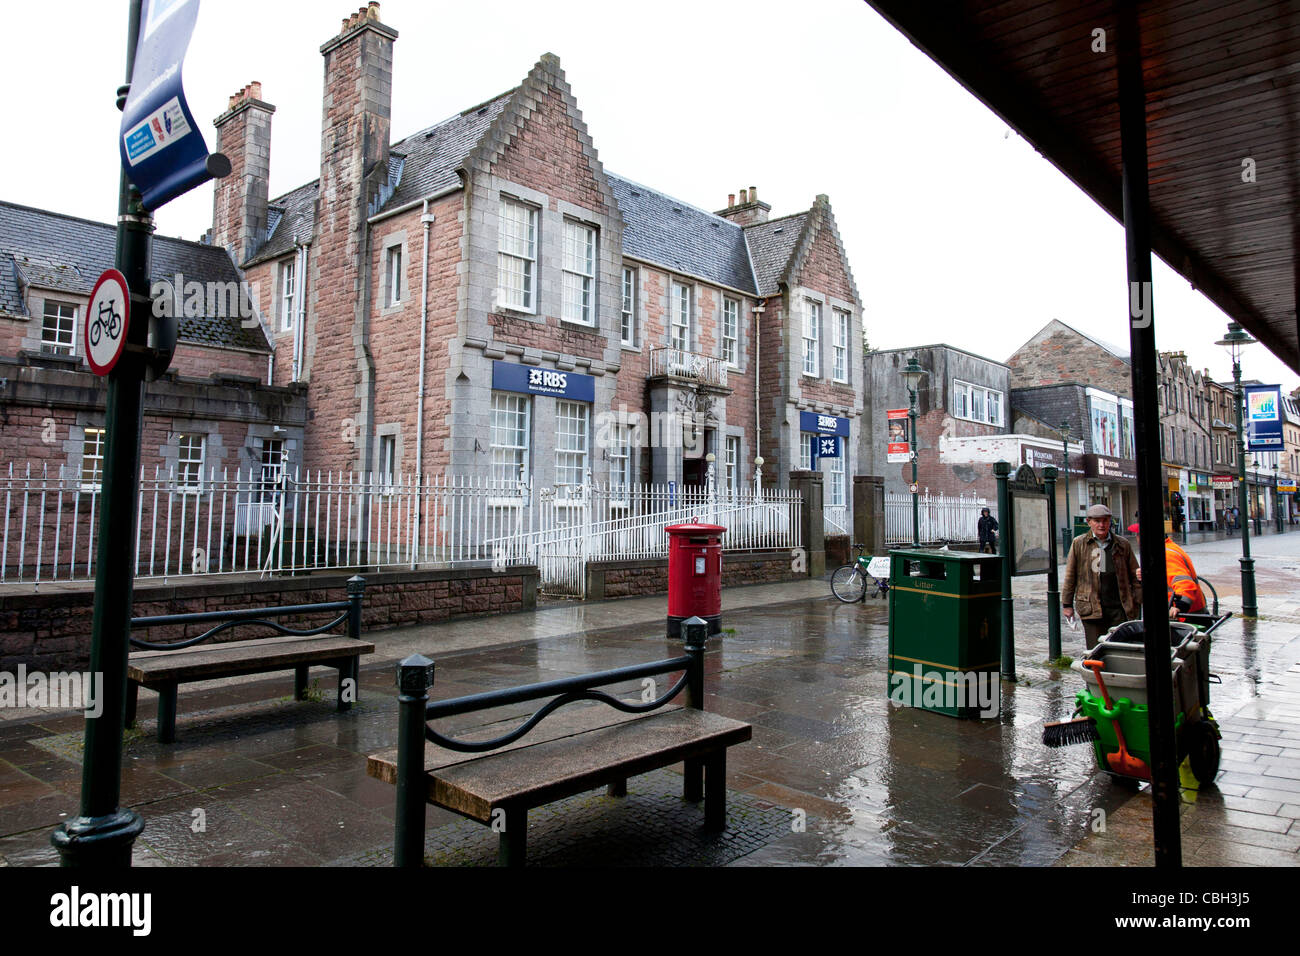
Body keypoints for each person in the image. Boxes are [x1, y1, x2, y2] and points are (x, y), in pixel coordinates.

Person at [1062, 503, 1143, 650]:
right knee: (1096, 650)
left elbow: (1135, 574)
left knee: (1120, 649)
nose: (1101, 525)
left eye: (1105, 520)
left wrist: (1137, 600)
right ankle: (1097, 673)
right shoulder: (1080, 543)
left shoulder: (1122, 544)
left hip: (1119, 608)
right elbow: (1070, 575)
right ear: (1089, 522)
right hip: (1092, 608)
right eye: (1097, 521)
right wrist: (1067, 605)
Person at [1165, 533, 1206, 616]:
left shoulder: (1167, 554)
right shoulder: (1170, 546)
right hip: (1195, 611)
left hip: (1188, 616)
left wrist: (1179, 607)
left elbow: (1185, 583)